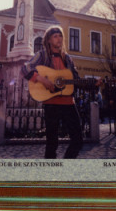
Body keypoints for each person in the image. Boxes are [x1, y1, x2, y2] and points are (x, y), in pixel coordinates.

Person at [21, 25, 83, 159]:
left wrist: (93, 84)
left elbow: (76, 80)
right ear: (49, 40)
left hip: (69, 104)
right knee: (52, 143)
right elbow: (25, 68)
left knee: (78, 139)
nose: (59, 39)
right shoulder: (42, 55)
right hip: (51, 103)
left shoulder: (67, 59)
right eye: (55, 36)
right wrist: (42, 79)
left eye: (60, 36)